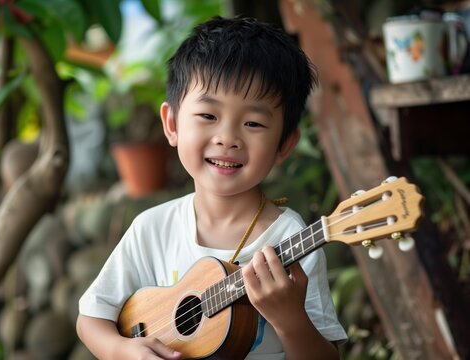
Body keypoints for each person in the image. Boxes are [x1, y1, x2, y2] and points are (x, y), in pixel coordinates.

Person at [76, 16, 347, 360]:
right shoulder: (153, 229)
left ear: (284, 144)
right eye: (208, 116)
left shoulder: (291, 240)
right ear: (171, 124)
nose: (227, 138)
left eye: (253, 123)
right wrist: (125, 351)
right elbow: (91, 319)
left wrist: (290, 319)